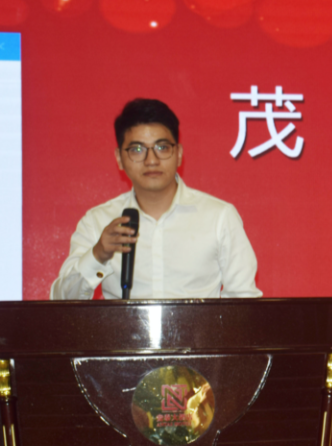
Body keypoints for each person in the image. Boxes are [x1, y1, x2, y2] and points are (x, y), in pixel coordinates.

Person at [50, 98, 262, 300]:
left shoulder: (219, 217)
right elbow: (61, 302)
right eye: (137, 149)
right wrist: (98, 254)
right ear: (119, 158)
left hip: (200, 329)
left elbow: (244, 301)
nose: (151, 160)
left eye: (162, 147)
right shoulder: (98, 221)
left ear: (179, 154)